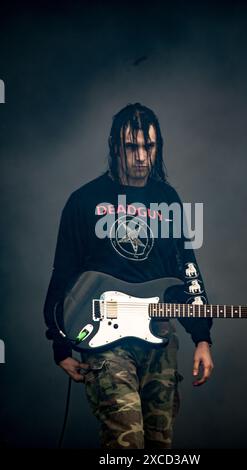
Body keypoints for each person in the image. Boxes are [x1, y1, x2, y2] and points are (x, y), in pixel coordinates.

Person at [43, 103, 214, 449]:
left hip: (159, 339)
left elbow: (187, 268)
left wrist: (202, 338)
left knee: (159, 444)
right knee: (126, 443)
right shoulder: (84, 201)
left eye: (148, 147)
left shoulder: (168, 199)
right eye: (131, 147)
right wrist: (60, 343)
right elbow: (63, 272)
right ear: (115, 147)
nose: (141, 157)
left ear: (157, 147)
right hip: (107, 344)